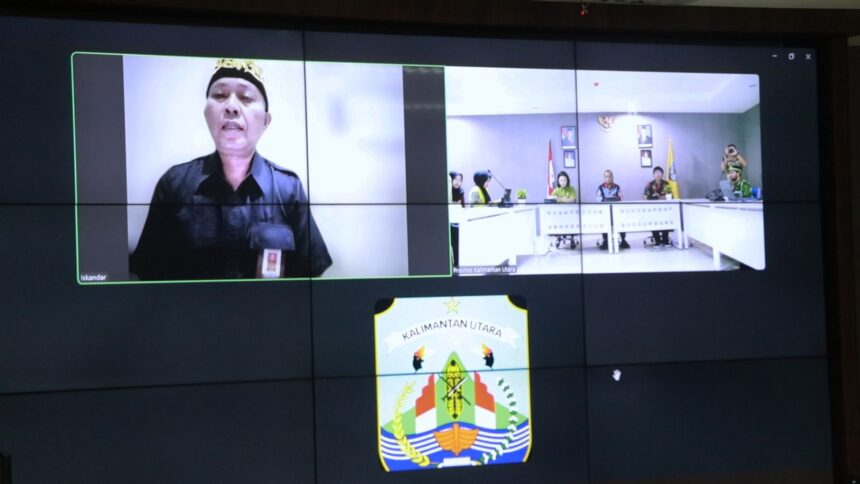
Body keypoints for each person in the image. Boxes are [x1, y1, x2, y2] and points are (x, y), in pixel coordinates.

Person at [130, 58, 332, 280]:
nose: (231, 107)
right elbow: (150, 277)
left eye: (246, 98)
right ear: (206, 114)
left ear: (266, 121)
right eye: (219, 95)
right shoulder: (174, 185)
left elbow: (309, 280)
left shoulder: (288, 189)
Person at [596, 170, 629, 250]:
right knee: (604, 222)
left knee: (622, 221)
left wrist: (617, 198)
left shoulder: (617, 187)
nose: (608, 178)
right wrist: (605, 199)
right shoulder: (600, 187)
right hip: (605, 211)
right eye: (606, 176)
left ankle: (623, 240)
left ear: (613, 177)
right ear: (604, 178)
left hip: (616, 211)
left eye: (610, 176)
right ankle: (606, 241)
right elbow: (597, 198)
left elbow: (621, 197)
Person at [643, 166, 673, 247]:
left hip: (665, 209)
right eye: (656, 173)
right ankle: (657, 241)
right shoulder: (649, 184)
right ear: (653, 174)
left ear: (662, 174)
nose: (658, 174)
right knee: (653, 220)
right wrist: (661, 197)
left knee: (666, 220)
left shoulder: (666, 184)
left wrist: (656, 197)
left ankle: (665, 240)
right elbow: (645, 197)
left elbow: (669, 196)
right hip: (652, 209)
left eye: (659, 173)